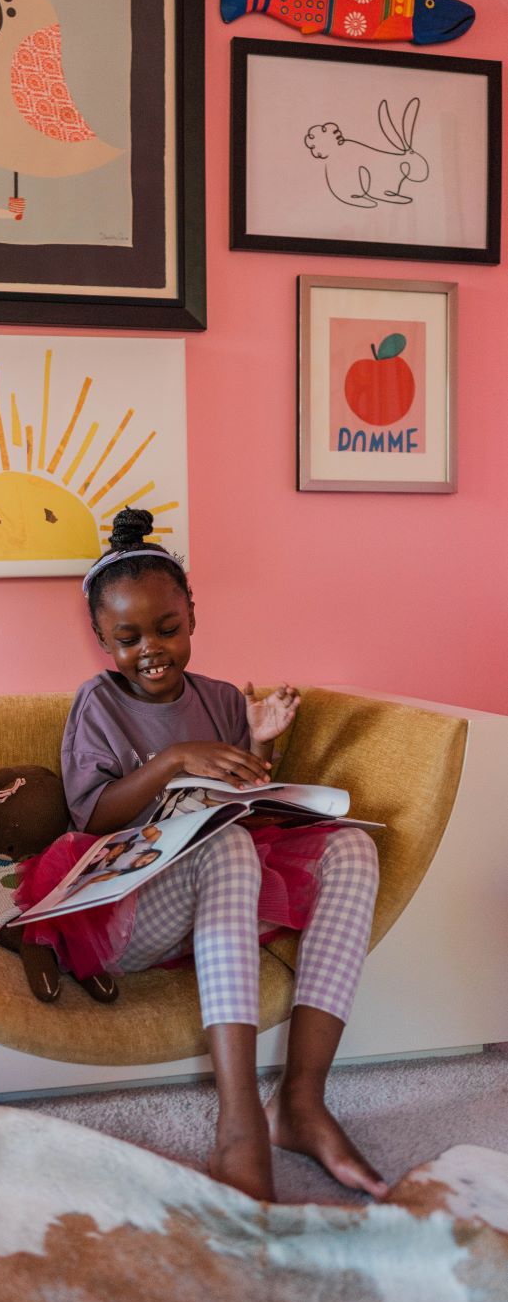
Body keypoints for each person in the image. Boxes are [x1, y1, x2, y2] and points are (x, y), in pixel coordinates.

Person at [62, 506, 385, 1204]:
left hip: (218, 909)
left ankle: (300, 1102)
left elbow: (246, 794)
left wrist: (261, 744)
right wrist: (173, 760)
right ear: (99, 639)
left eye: (167, 629)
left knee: (352, 848)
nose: (150, 648)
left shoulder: (215, 697)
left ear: (192, 617)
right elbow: (90, 813)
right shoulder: (97, 705)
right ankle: (238, 1121)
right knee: (231, 849)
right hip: (130, 916)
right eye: (127, 637)